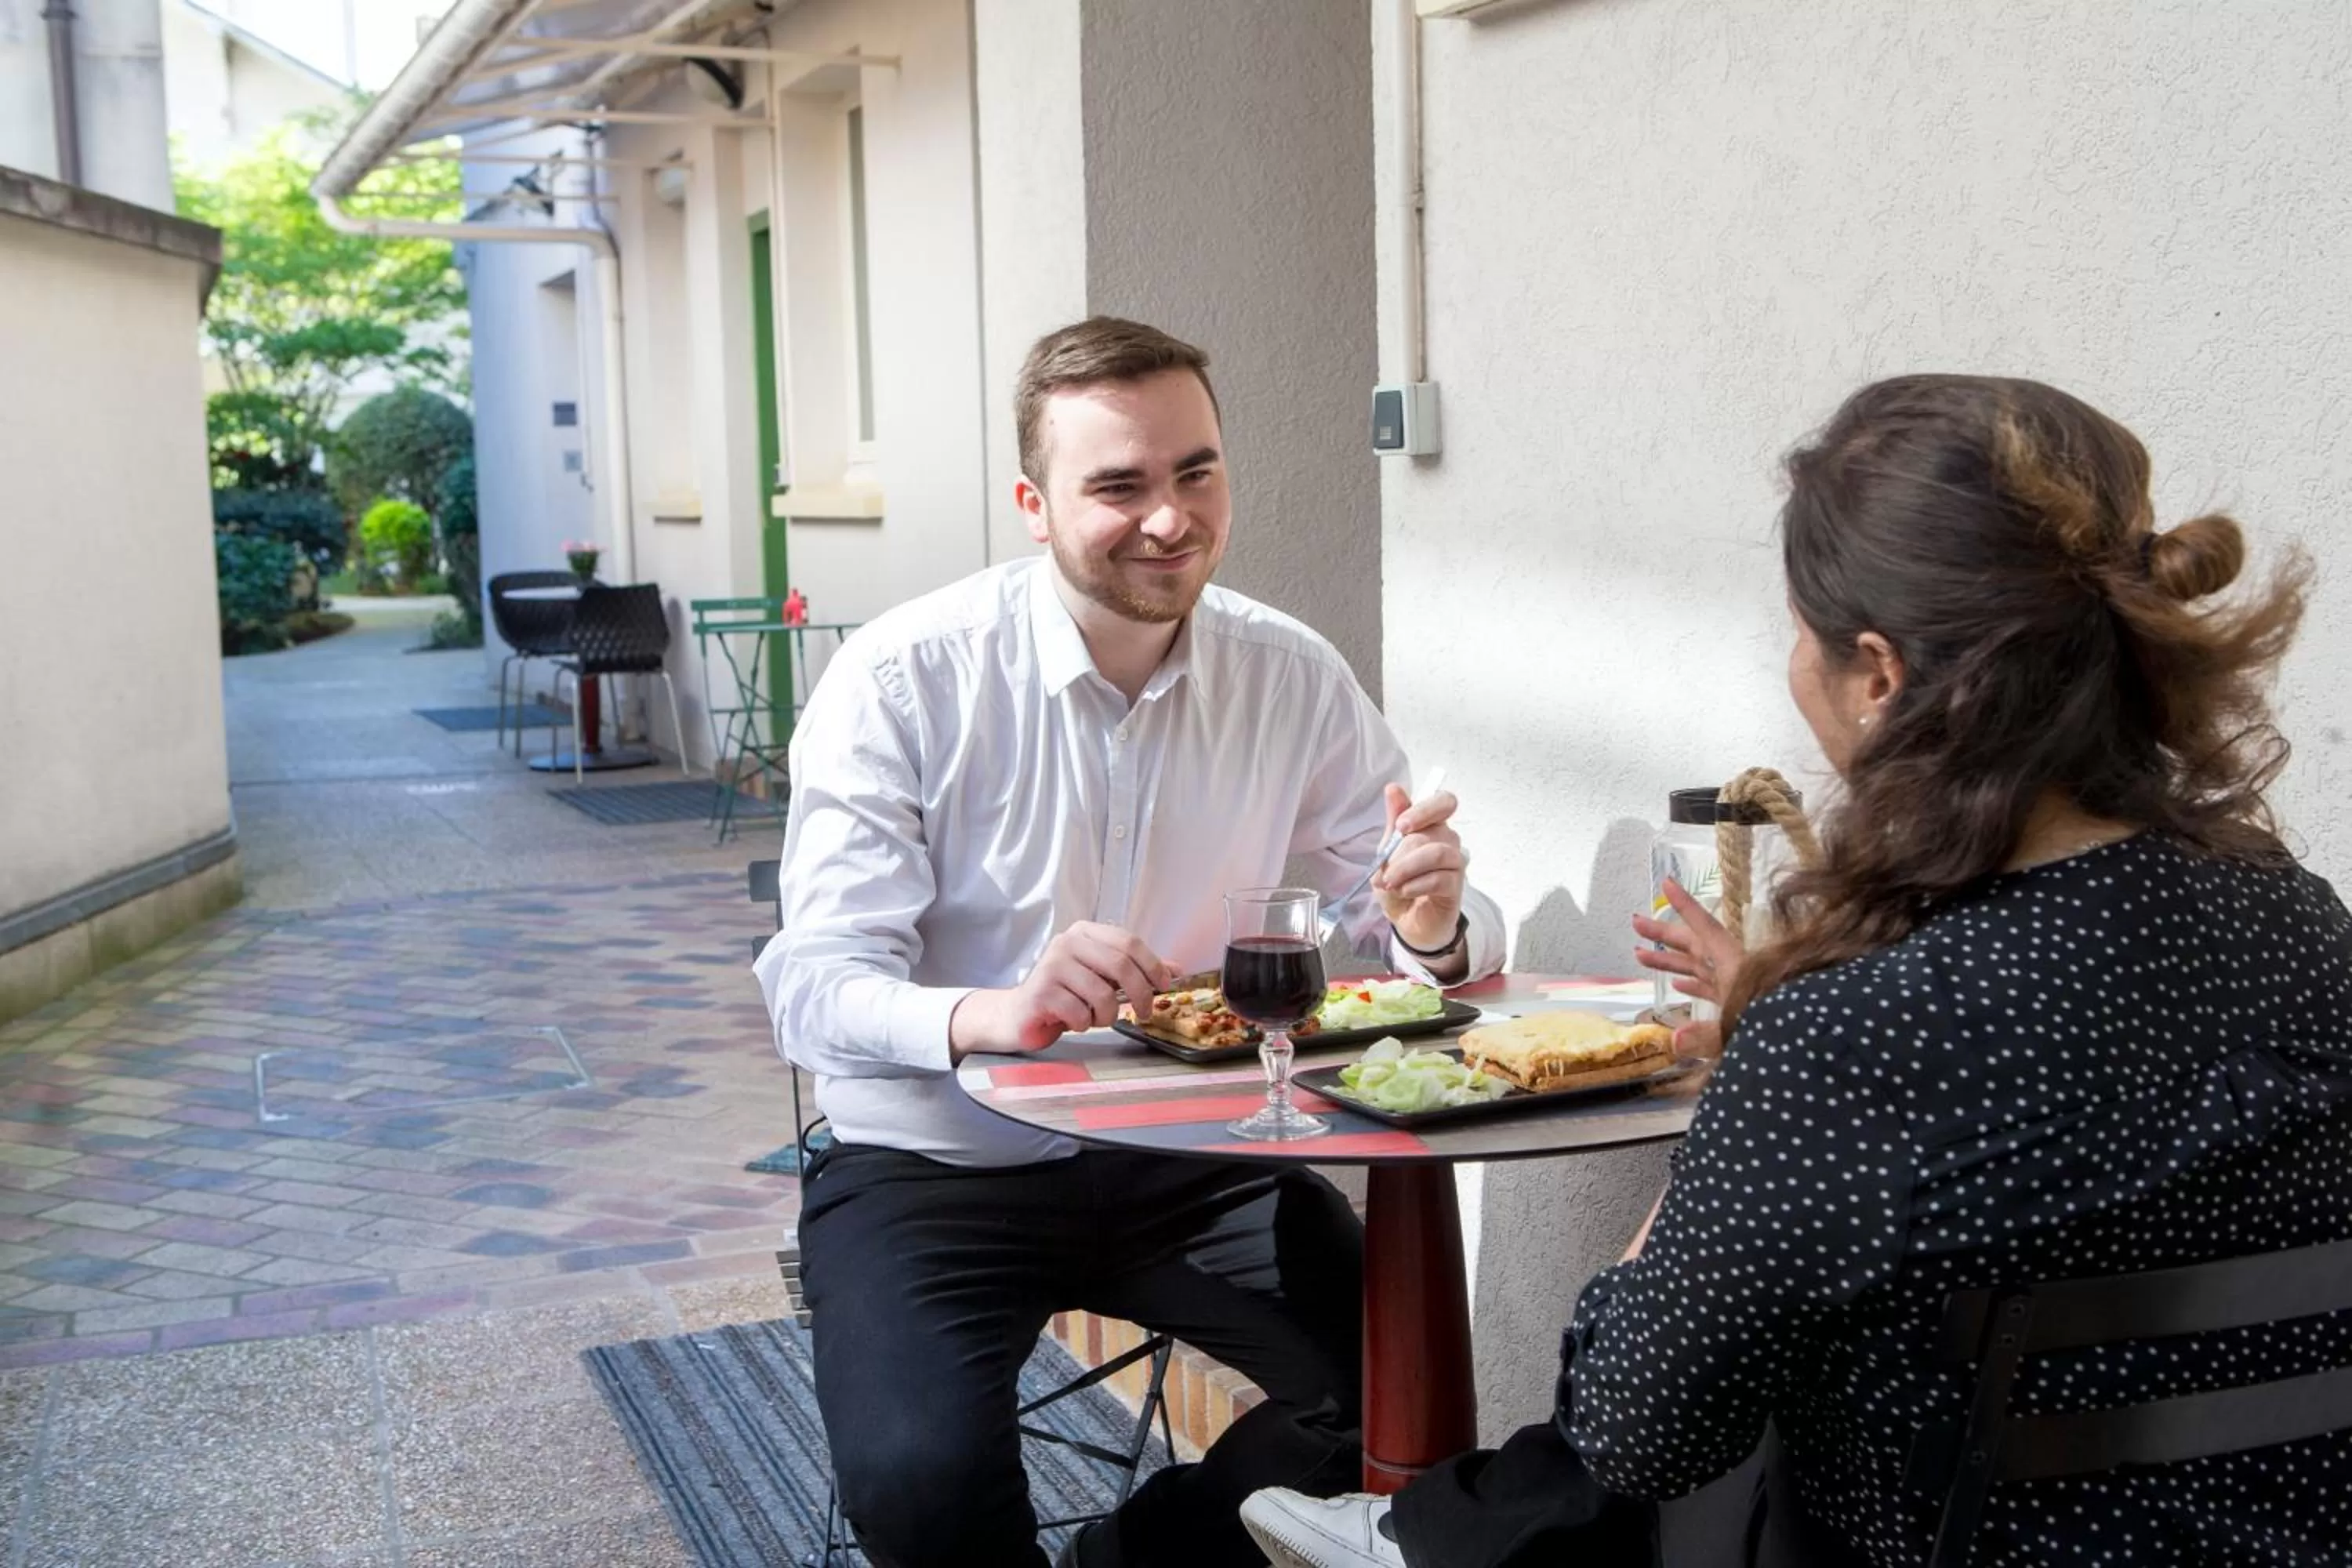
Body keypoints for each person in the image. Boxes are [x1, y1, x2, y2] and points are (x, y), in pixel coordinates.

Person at [1240, 373, 2352, 1567]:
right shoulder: (2301, 924)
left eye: (1798, 632)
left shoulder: (1862, 1034)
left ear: (1879, 676)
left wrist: (1734, 1134)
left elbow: (1633, 1430)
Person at [756, 315, 1507, 1568]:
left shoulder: (1293, 674)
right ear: (1034, 504)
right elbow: (810, 986)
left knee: (1400, 1403)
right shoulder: (903, 679)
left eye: (1196, 471)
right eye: (1120, 486)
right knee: (918, 1486)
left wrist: (1430, 929)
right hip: (936, 1168)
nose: (1171, 518)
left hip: (1194, 1155)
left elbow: (1399, 937)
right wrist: (987, 1013)